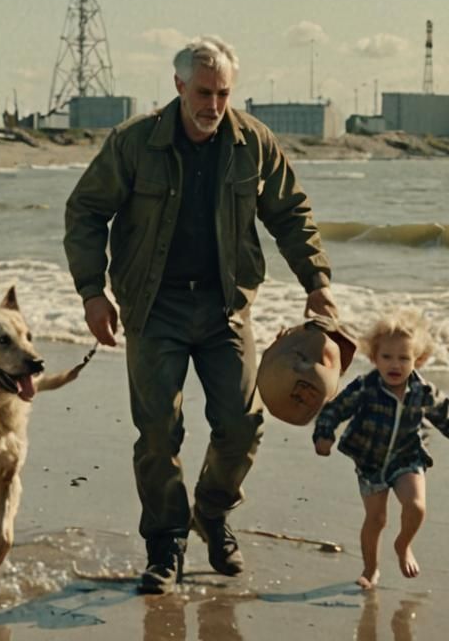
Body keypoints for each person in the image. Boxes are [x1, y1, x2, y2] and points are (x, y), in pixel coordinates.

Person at [63, 35, 337, 594]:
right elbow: (86, 211)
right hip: (153, 306)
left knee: (242, 424)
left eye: (223, 94)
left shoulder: (252, 142)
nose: (213, 105)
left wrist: (317, 282)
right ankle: (165, 543)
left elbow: (290, 213)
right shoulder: (135, 141)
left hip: (225, 307)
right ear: (179, 86)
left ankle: (211, 513)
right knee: (158, 433)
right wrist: (92, 292)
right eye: (204, 92)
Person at [313, 307, 449, 588]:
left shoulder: (423, 391)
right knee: (376, 519)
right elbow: (334, 409)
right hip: (370, 461)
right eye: (387, 357)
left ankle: (403, 544)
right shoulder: (365, 387)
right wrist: (324, 435)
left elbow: (445, 414)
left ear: (418, 360)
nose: (395, 364)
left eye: (404, 358)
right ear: (374, 357)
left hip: (407, 456)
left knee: (416, 506)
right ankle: (370, 569)